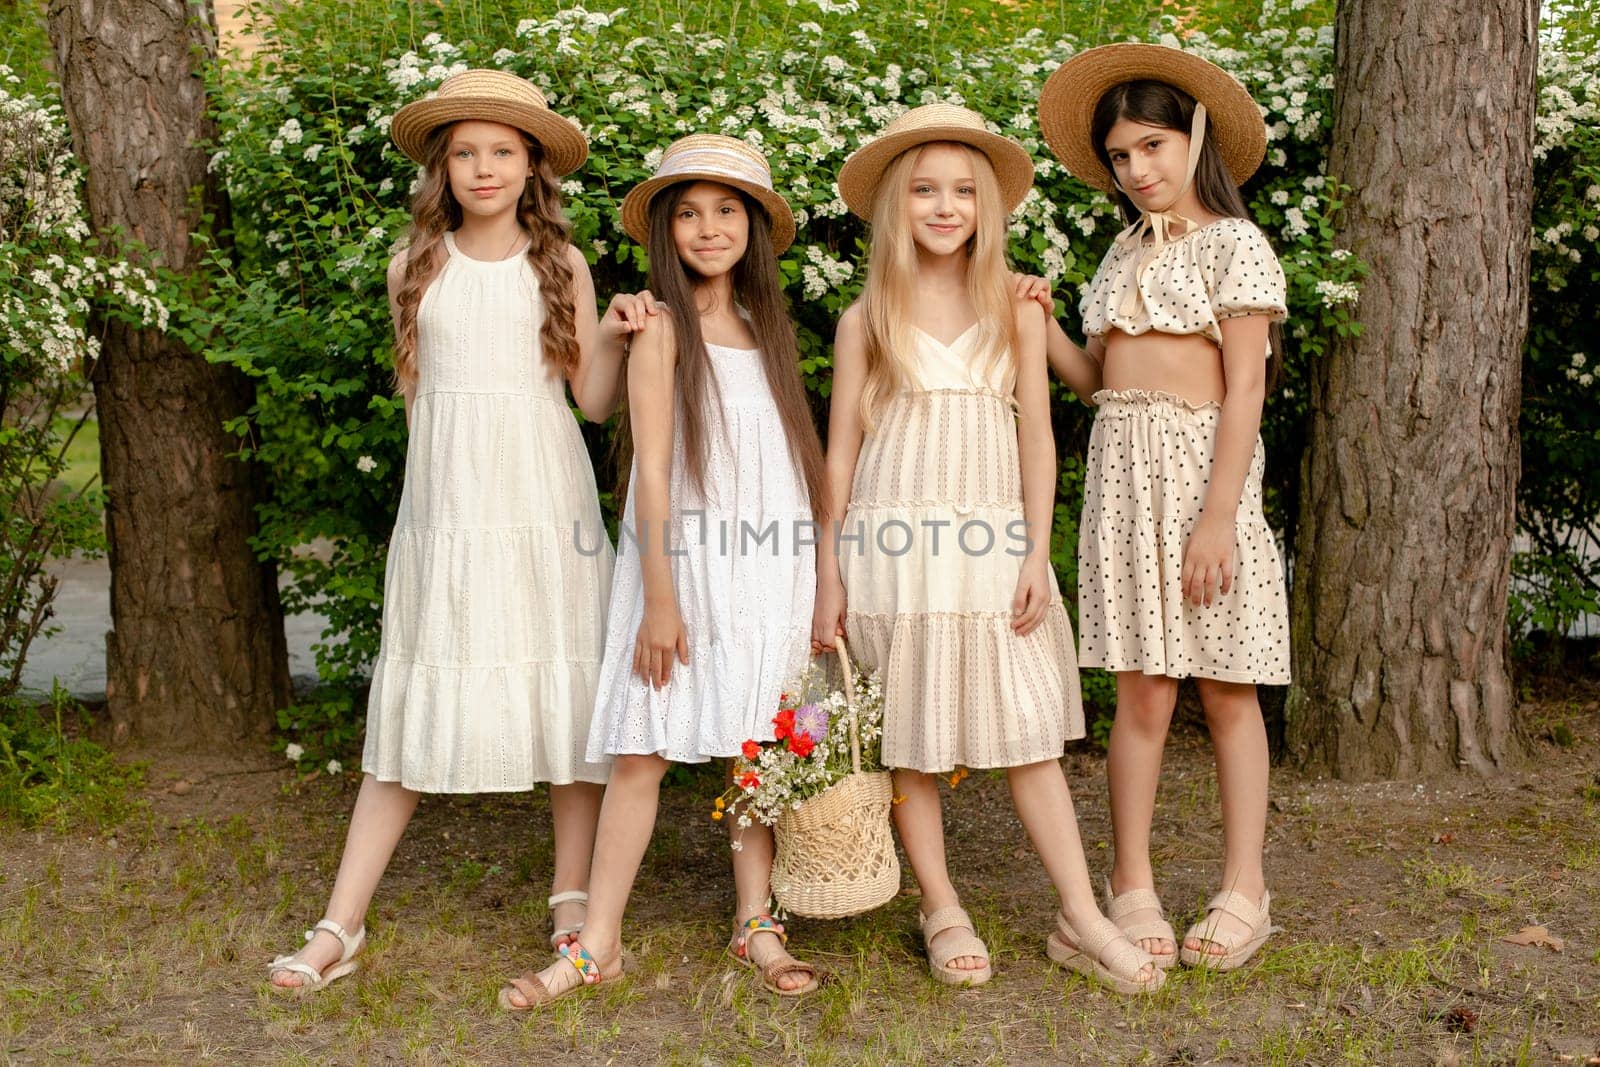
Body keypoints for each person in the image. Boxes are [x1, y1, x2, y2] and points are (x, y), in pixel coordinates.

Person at [269, 69, 655, 991]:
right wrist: (435, 510)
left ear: (531, 170)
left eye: (504, 153)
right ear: (443, 168)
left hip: (543, 498)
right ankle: (340, 923)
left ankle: (571, 900)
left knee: (565, 695)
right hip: (448, 511)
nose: (485, 168)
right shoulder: (416, 264)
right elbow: (419, 403)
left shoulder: (559, 264)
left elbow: (590, 405)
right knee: (413, 702)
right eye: (467, 153)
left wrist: (613, 333)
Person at [812, 104, 1162, 994]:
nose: (943, 205)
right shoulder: (868, 317)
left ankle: (1081, 914)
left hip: (993, 539)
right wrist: (827, 570)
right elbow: (842, 452)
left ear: (985, 206)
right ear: (897, 204)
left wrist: (1033, 549)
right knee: (910, 741)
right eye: (925, 189)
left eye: (962, 190)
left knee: (1028, 732)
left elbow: (1039, 439)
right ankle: (941, 902)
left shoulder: (1015, 305)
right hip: (893, 545)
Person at [499, 135, 828, 1008]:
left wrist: (821, 575)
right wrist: (659, 598)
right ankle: (596, 939)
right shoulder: (661, 328)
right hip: (680, 568)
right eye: (688, 211)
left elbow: (796, 465)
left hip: (768, 567)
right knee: (642, 748)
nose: (707, 226)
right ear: (666, 230)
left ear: (754, 227)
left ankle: (756, 918)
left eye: (726, 210)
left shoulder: (766, 331)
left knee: (755, 749)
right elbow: (652, 472)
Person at [1030, 43, 1292, 971]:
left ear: (1195, 138)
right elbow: (1100, 379)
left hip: (1201, 480)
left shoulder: (1235, 245)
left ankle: (1244, 886)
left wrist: (1220, 514)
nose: (1138, 169)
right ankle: (1130, 883)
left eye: (1152, 145)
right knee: (1141, 690)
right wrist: (1043, 324)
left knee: (1228, 687)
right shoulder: (1118, 252)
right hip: (1123, 483)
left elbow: (1248, 391)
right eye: (1121, 157)